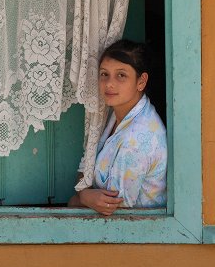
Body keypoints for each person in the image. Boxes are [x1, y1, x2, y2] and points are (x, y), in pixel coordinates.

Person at [68, 39, 167, 215]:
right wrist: (85, 193)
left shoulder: (137, 139)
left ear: (141, 81)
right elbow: (85, 170)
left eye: (121, 75)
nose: (109, 84)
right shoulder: (114, 114)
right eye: (104, 74)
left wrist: (80, 198)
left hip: (136, 235)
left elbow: (111, 207)